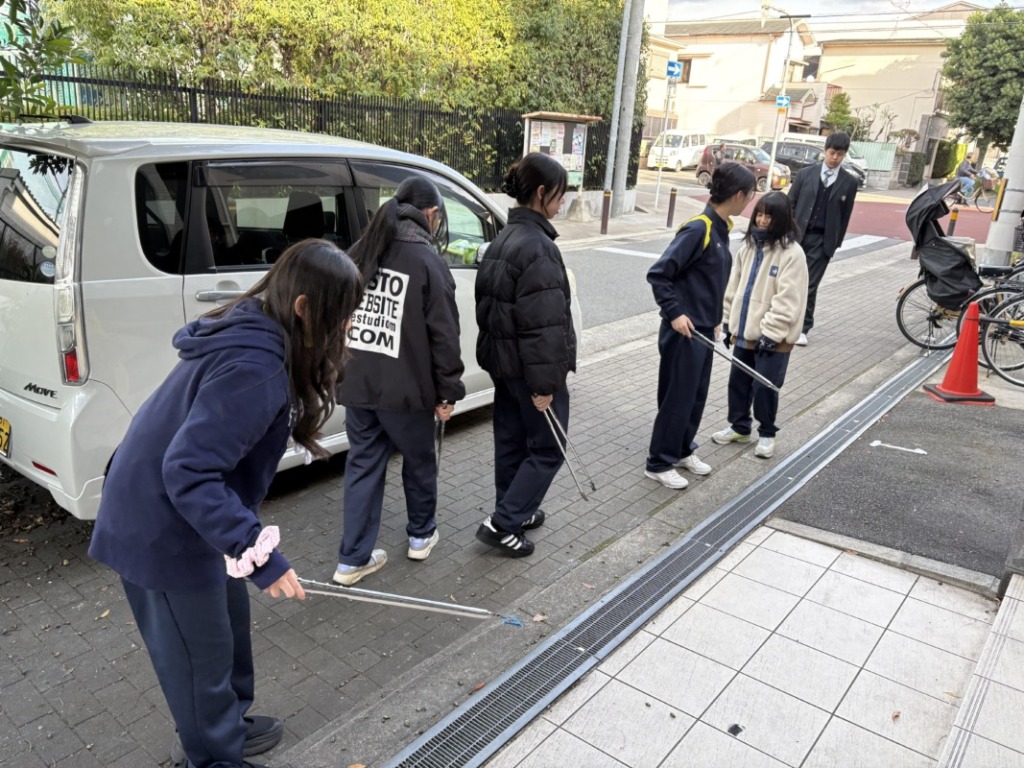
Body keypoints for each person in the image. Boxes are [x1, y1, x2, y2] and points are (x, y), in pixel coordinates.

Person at [88, 240, 363, 768]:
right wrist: (254, 550)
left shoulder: (266, 326)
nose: (345, 330)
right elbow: (187, 470)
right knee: (198, 662)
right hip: (159, 525)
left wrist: (243, 540)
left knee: (229, 631)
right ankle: (213, 755)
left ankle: (229, 724)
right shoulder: (256, 367)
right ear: (305, 308)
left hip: (194, 512)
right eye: (340, 317)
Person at [333, 176, 465, 585]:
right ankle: (421, 536)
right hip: (407, 392)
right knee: (420, 462)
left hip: (357, 384)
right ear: (430, 214)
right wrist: (448, 392)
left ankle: (351, 560)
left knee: (362, 466)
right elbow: (444, 336)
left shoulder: (360, 251)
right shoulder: (428, 262)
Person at [474, 152, 577, 557]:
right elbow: (544, 324)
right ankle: (503, 523)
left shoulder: (503, 239)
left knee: (512, 442)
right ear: (541, 193)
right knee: (548, 448)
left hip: (503, 365)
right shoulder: (538, 247)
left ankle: (515, 508)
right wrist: (545, 384)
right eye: (560, 194)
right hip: (530, 369)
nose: (562, 202)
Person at [644, 162, 757, 490]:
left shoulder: (721, 227)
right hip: (684, 331)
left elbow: (708, 282)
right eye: (749, 195)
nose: (750, 200)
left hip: (705, 330)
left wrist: (717, 319)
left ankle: (682, 450)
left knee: (695, 396)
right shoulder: (699, 228)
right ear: (738, 195)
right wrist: (675, 313)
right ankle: (658, 462)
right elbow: (659, 274)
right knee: (677, 397)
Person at [713, 191, 808, 459]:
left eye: (770, 215)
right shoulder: (748, 247)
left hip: (774, 338)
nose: (763, 220)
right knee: (738, 383)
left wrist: (772, 332)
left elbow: (787, 299)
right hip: (745, 331)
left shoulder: (792, 254)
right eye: (760, 214)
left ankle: (767, 434)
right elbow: (734, 287)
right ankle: (739, 427)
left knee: (765, 387)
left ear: (782, 219)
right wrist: (729, 322)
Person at [786, 130, 859, 345]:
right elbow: (790, 203)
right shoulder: (806, 174)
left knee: (810, 284)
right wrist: (787, 233)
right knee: (790, 281)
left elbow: (845, 215)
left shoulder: (849, 182)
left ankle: (803, 327)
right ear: (825, 150)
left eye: (840, 154)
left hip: (823, 240)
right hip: (798, 235)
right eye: (832, 152)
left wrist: (836, 242)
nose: (835, 158)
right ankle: (786, 321)